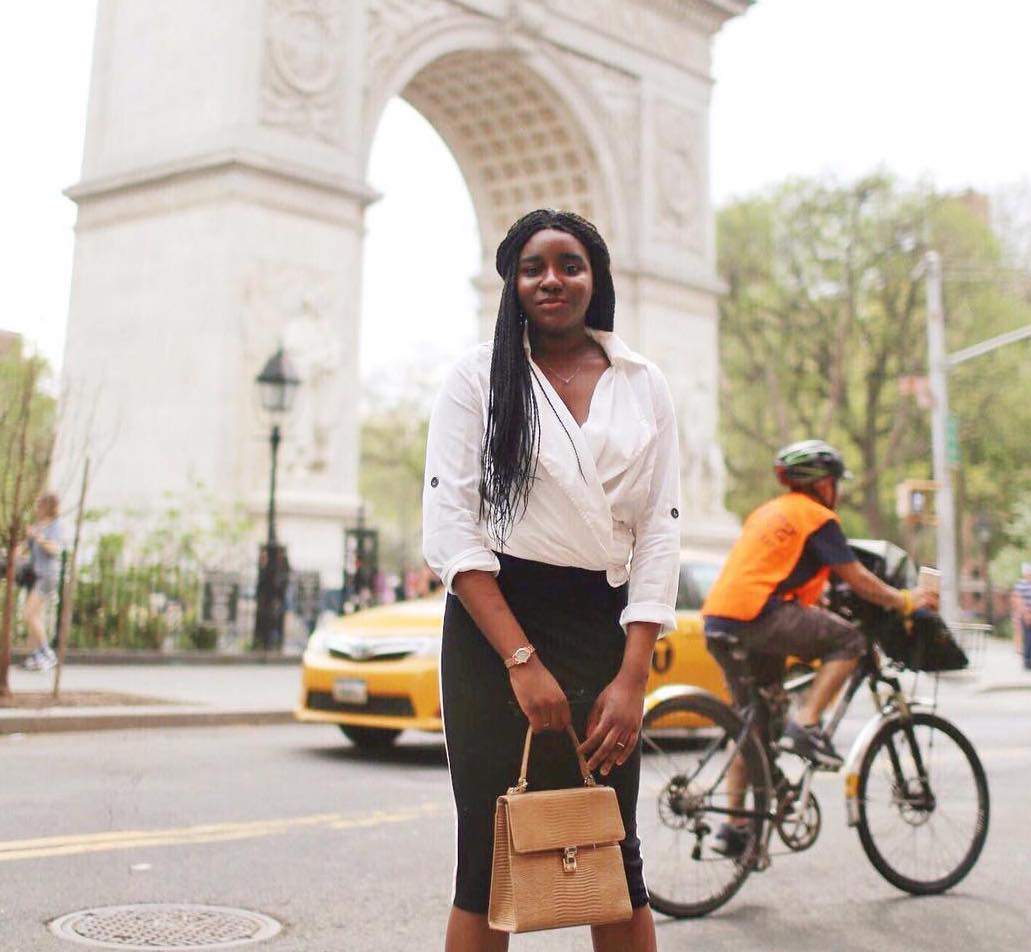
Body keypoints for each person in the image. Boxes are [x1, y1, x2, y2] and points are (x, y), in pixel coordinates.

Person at [422, 209, 680, 952]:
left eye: (569, 264)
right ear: (512, 282)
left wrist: (632, 676)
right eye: (533, 267)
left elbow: (660, 529)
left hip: (601, 625)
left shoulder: (644, 384)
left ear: (595, 278)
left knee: (612, 848)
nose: (551, 280)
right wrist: (519, 661)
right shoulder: (476, 377)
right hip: (492, 627)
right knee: (486, 858)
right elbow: (451, 529)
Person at [701, 439, 938, 857]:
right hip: (758, 617)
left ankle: (734, 828)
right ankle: (807, 722)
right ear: (822, 484)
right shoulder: (817, 516)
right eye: (836, 483)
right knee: (850, 639)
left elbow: (787, 575)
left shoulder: (770, 513)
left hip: (720, 620)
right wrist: (903, 600)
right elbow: (858, 578)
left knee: (752, 725)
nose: (839, 492)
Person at [21, 492, 63, 671]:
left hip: (47, 576)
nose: (37, 508)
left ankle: (47, 653)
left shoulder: (55, 526)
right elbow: (24, 549)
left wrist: (38, 537)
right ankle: (38, 655)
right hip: (36, 575)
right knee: (33, 616)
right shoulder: (38, 525)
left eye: (40, 505)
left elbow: (55, 549)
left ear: (48, 507)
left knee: (29, 614)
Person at [1012, 562, 1031, 670]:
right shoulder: (1021, 584)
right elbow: (1018, 600)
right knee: (1027, 637)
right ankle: (1027, 659)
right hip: (1024, 616)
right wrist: (1026, 614)